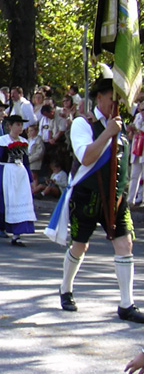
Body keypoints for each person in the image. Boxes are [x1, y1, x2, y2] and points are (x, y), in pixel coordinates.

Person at [47, 66, 144, 323]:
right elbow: (87, 156)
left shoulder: (120, 124)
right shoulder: (83, 123)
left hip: (115, 198)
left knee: (125, 244)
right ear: (98, 97)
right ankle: (65, 288)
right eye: (111, 95)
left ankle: (126, 304)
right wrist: (109, 133)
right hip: (87, 195)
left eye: (118, 97)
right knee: (80, 245)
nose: (116, 101)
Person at [0, 114, 37, 246]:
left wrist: (31, 180)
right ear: (10, 126)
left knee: (19, 200)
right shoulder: (2, 141)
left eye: (21, 125)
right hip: (5, 172)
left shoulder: (24, 141)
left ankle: (17, 235)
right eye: (17, 124)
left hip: (19, 174)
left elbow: (26, 162)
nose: (20, 127)